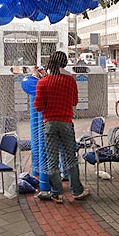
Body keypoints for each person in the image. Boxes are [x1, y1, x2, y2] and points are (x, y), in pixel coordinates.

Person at [34, 51, 89, 204]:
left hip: (49, 124)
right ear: (64, 63)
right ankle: (77, 191)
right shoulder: (70, 81)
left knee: (52, 159)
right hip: (66, 122)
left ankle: (57, 193)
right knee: (70, 157)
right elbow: (74, 102)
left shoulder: (43, 82)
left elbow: (38, 107)